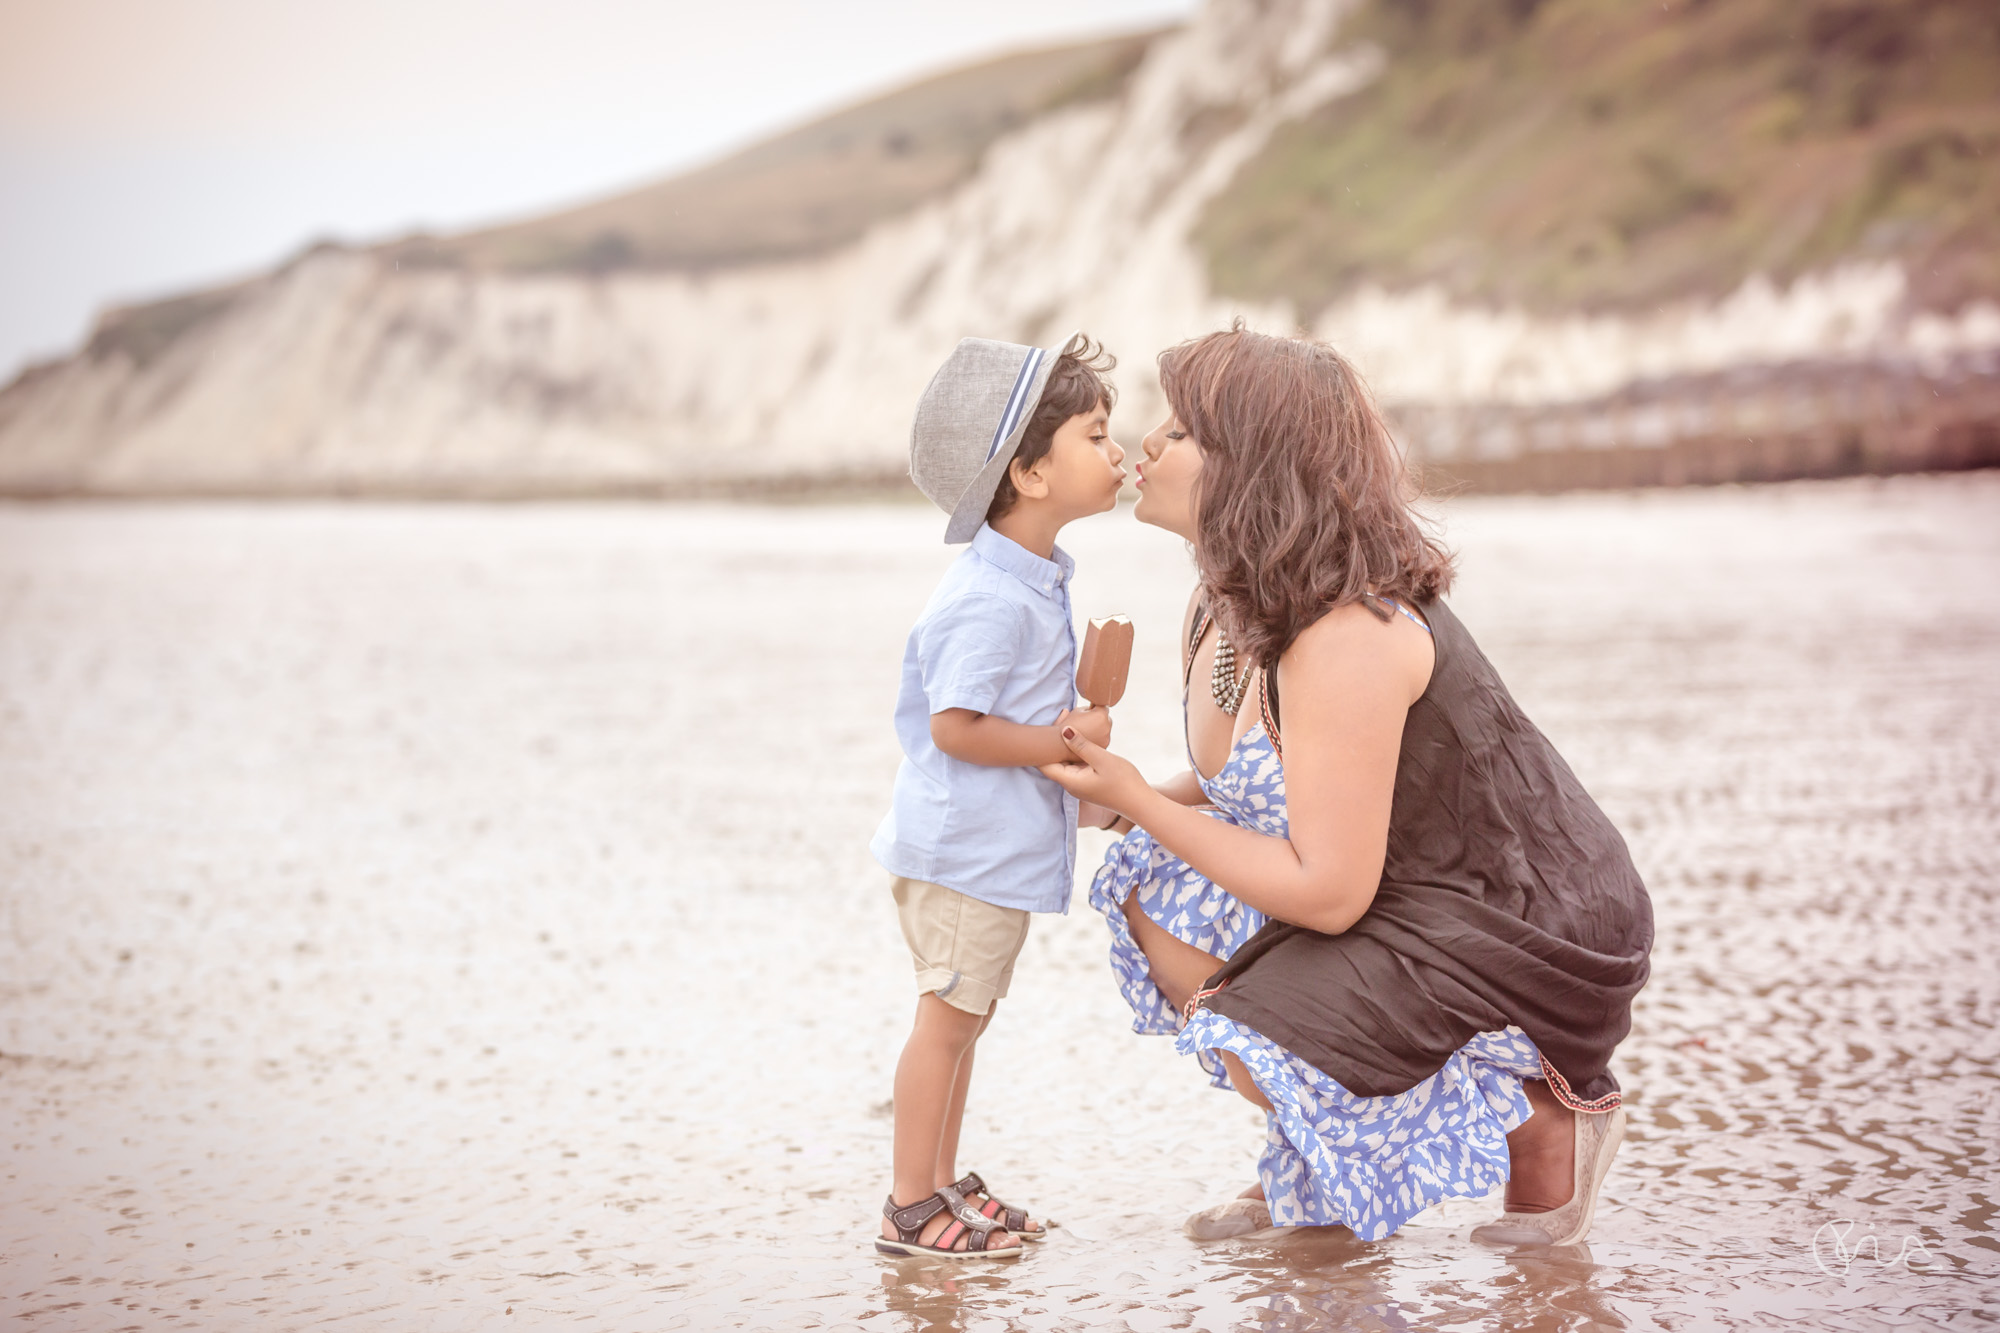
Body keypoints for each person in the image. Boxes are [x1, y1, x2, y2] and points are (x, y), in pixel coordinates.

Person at [1044, 326, 1653, 1247]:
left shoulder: (1345, 631)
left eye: (1185, 432)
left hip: (1520, 917)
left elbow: (1329, 894)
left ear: (1252, 466)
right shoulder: (1224, 601)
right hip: (1409, 882)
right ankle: (1318, 1146)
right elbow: (1251, 785)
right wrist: (1116, 793)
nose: (1152, 445)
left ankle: (1546, 1119)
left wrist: (1138, 796)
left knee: (1258, 1034)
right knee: (1148, 874)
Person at [870, 332, 1127, 1259]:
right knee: (945, 1024)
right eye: (1096, 436)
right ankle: (910, 1206)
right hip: (963, 854)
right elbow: (957, 725)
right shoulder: (988, 596)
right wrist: (1067, 738)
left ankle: (939, 1183)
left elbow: (1002, 721)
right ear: (1028, 470)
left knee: (963, 1021)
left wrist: (1093, 788)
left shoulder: (1035, 578)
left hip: (987, 849)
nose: (1120, 453)